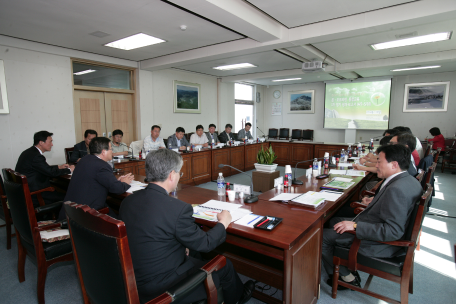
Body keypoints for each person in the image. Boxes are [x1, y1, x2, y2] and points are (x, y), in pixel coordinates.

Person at [119, 149, 254, 304]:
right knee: (225, 264)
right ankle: (238, 297)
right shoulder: (177, 209)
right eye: (179, 173)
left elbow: (151, 233)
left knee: (193, 251)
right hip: (162, 287)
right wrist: (223, 222)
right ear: (171, 175)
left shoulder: (128, 202)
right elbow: (206, 243)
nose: (178, 177)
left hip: (133, 278)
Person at [322, 144, 422, 289]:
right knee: (334, 221)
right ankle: (341, 261)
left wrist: (355, 226)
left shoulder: (396, 190)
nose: (376, 166)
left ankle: (344, 278)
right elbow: (395, 210)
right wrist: (374, 202)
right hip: (374, 224)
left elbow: (393, 231)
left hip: (380, 243)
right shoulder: (409, 180)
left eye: (379, 162)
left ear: (394, 165)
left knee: (321, 237)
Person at [58, 137, 133, 220]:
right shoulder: (102, 166)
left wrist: (116, 181)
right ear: (104, 152)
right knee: (122, 220)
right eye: (111, 149)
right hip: (86, 214)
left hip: (71, 210)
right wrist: (125, 183)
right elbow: (117, 189)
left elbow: (97, 180)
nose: (112, 152)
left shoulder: (85, 159)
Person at [15, 131, 74, 207]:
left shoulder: (29, 152)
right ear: (41, 142)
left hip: (28, 190)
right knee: (70, 196)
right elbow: (50, 172)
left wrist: (59, 167)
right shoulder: (36, 156)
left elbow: (44, 168)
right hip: (37, 194)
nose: (52, 144)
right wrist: (69, 170)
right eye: (50, 142)